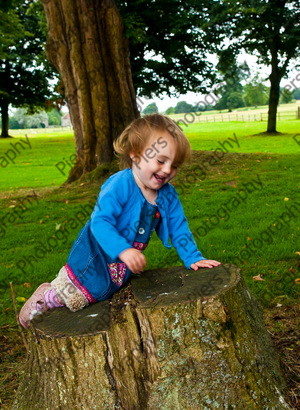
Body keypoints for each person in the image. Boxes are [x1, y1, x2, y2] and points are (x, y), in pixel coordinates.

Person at [19, 114, 221, 328]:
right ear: (135, 155)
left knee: (106, 292)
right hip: (96, 251)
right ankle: (48, 298)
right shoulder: (120, 184)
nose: (167, 170)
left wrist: (192, 257)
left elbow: (179, 228)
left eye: (175, 165)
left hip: (122, 259)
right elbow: (100, 222)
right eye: (161, 161)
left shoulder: (167, 195)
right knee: (82, 291)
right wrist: (124, 250)